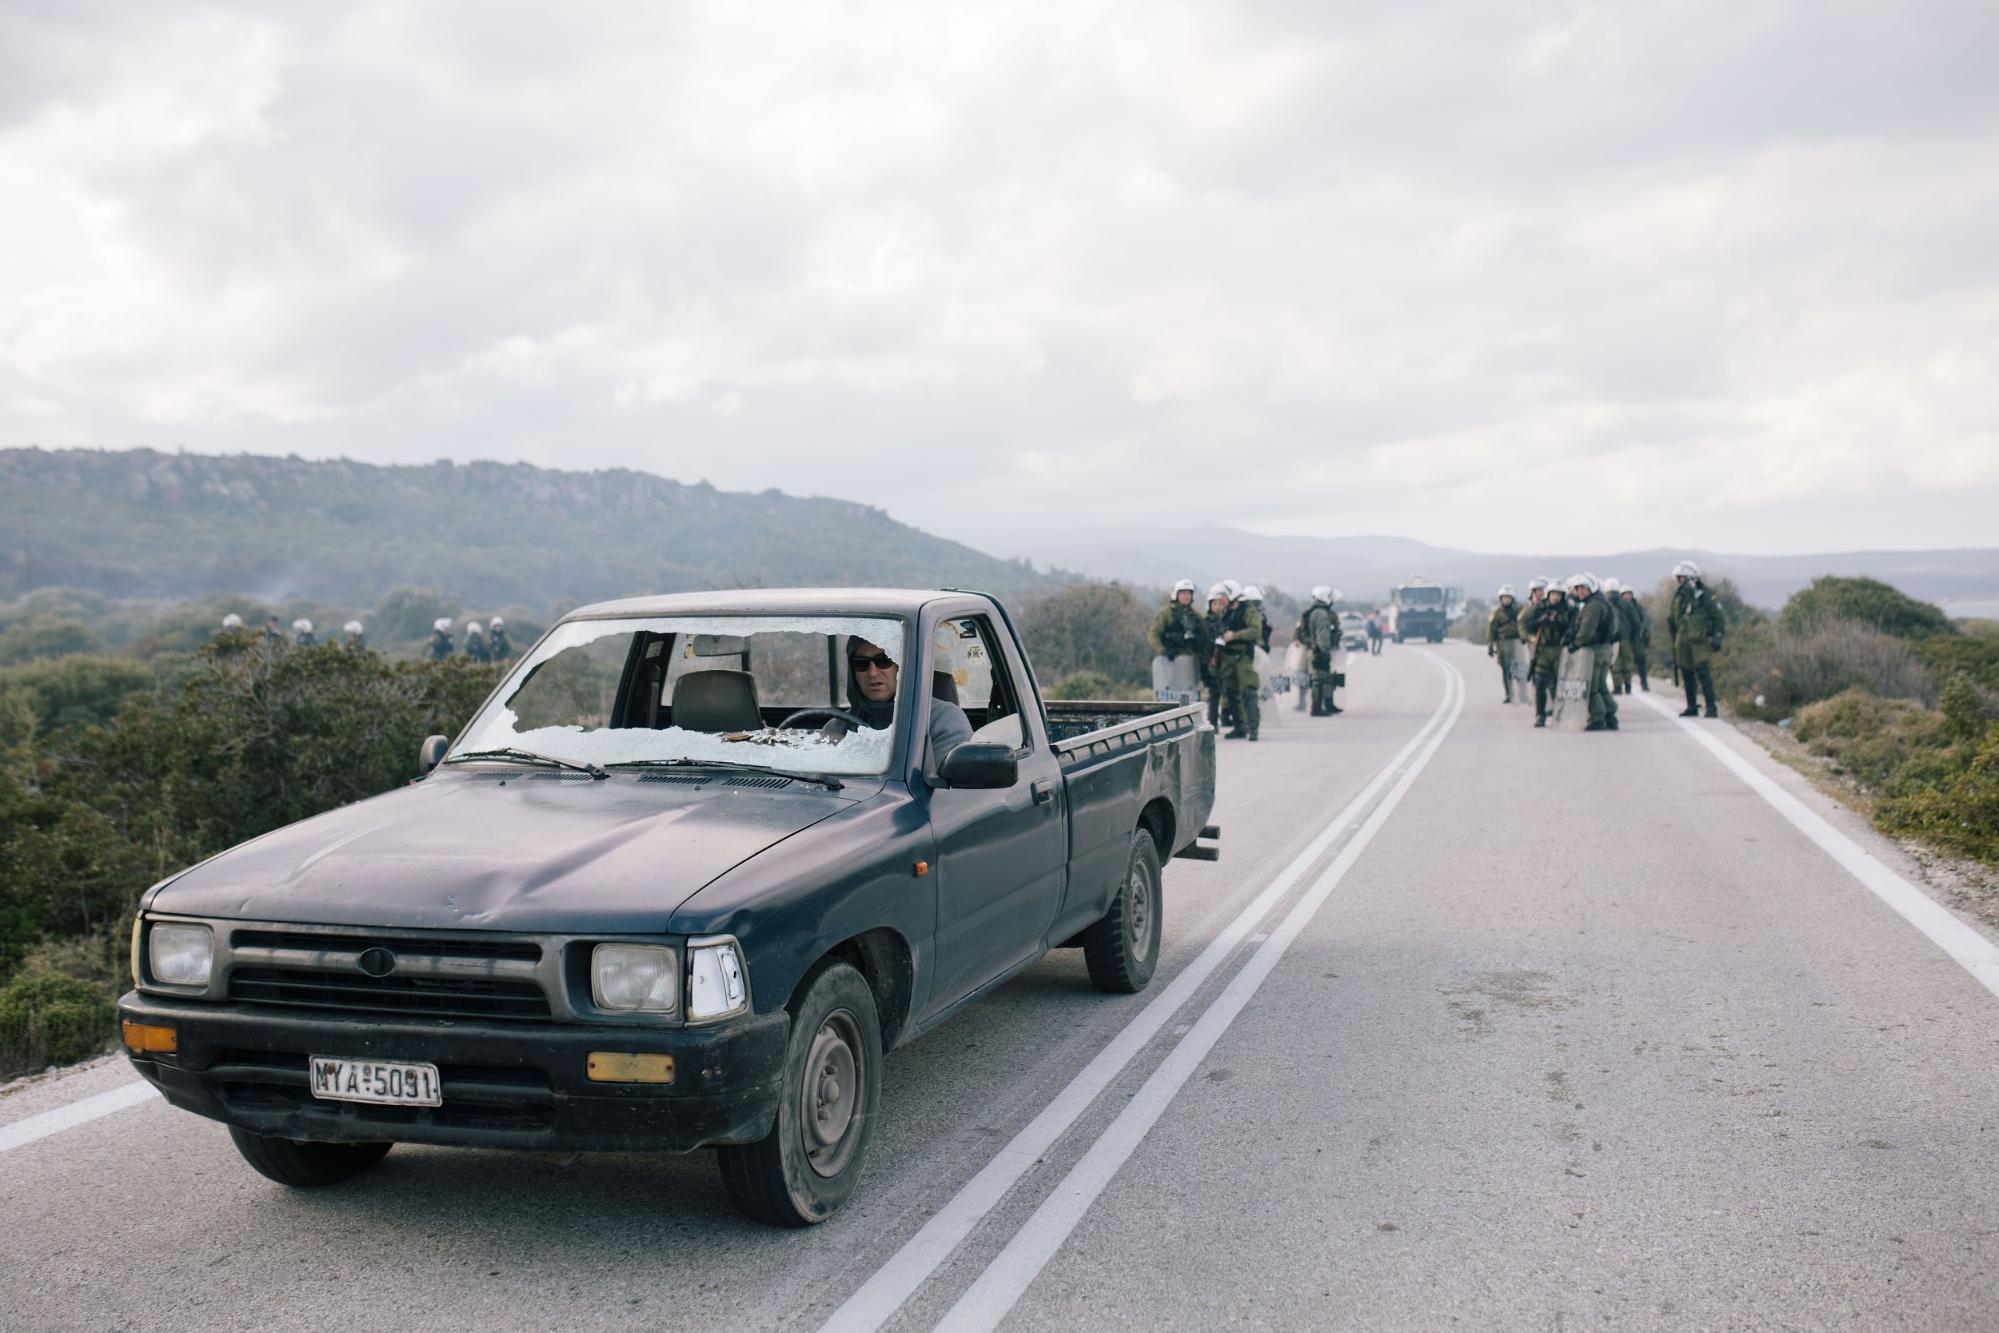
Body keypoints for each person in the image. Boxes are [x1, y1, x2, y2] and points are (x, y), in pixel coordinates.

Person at [843, 636, 972, 763]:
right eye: (861, 663)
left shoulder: (945, 720)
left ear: (902, 665)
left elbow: (940, 781)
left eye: (883, 660)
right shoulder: (840, 726)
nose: (872, 672)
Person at [1668, 559, 1726, 717]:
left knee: (1703, 673)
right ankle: (1691, 706)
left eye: (1681, 578)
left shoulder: (1705, 595)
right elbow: (1673, 618)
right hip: (1683, 640)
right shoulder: (1679, 597)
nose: (1679, 582)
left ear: (1690, 577)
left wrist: (1717, 636)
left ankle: (1711, 707)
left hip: (1699, 641)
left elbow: (1718, 617)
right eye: (1678, 578)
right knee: (1686, 673)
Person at [1564, 574, 1619, 732]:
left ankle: (1598, 718)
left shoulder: (1593, 606)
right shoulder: (1604, 603)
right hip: (1605, 649)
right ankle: (1611, 715)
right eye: (1578, 588)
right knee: (1601, 685)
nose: (1580, 591)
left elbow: (1587, 630)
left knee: (1591, 686)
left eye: (1583, 588)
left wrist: (1575, 644)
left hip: (1594, 651)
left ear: (1591, 588)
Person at [1215, 582, 1263, 741]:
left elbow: (1255, 631)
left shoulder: (1248, 610)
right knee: (1230, 693)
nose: (1221, 598)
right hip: (1227, 657)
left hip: (1242, 657)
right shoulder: (1226, 612)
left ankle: (1253, 727)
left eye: (1224, 595)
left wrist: (1234, 636)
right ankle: (1239, 726)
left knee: (1248, 691)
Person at [1521, 582, 1572, 728]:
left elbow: (1572, 627)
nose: (1555, 598)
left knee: (1558, 684)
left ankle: (1559, 714)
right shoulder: (1539, 609)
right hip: (1542, 651)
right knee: (1540, 683)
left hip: (1559, 650)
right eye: (1553, 594)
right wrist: (1542, 619)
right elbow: (1529, 625)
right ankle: (1540, 715)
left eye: (1558, 595)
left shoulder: (1567, 610)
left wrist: (1560, 620)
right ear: (1548, 595)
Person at [1301, 585, 1340, 716]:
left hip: (1314, 648)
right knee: (1319, 679)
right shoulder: (1321, 614)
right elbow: (1322, 635)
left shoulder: (1314, 612)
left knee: (1325, 677)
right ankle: (1316, 708)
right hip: (1318, 650)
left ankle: (1327, 705)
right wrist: (1324, 651)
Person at [1486, 585, 1523, 704]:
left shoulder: (1519, 611)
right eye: (1504, 598)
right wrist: (1490, 645)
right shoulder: (1496, 613)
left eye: (1508, 597)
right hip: (1502, 642)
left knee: (1517, 669)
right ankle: (1509, 694)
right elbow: (1491, 630)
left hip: (1517, 642)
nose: (1506, 600)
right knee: (1505, 670)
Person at [1617, 586, 1651, 692]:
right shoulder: (1619, 606)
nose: (1627, 596)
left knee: (1640, 660)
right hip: (1624, 637)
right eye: (1625, 594)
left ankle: (1644, 683)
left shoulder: (1637, 606)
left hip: (1636, 637)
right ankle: (1623, 684)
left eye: (1629, 594)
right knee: (1623, 662)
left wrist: (1643, 631)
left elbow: (1644, 619)